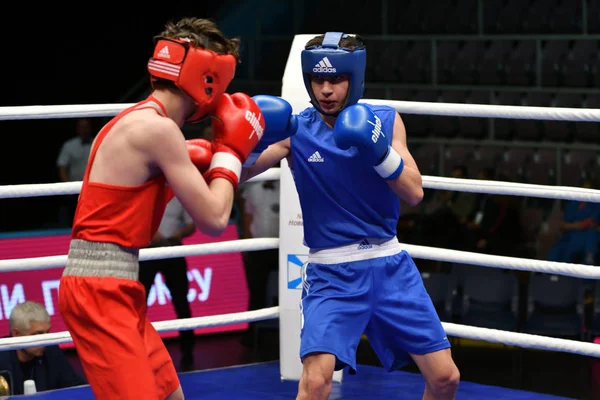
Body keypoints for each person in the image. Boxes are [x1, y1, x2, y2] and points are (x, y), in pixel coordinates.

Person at [242, 32, 460, 400]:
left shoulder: (386, 122)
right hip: (332, 274)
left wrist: (378, 151)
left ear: (354, 78)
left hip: (390, 266)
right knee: (315, 381)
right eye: (318, 80)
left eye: (336, 79)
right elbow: (241, 173)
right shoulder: (295, 130)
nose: (326, 89)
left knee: (445, 378)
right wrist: (247, 139)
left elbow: (414, 192)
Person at [57, 17, 264, 400]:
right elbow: (216, 217)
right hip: (100, 290)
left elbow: (219, 174)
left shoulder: (146, 123)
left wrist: (276, 148)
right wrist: (234, 150)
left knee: (170, 394)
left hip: (116, 284)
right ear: (208, 79)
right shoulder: (158, 132)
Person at [139, 197, 197, 371]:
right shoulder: (144, 193)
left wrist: (178, 234)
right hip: (148, 251)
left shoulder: (179, 194)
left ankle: (188, 351)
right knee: (138, 304)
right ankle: (137, 351)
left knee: (181, 301)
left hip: (173, 248)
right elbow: (132, 221)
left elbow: (190, 224)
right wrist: (148, 233)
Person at [0, 301, 86, 395]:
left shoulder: (52, 350)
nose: (44, 340)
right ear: (16, 334)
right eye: (38, 334)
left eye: (47, 332)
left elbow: (75, 387)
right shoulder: (2, 356)